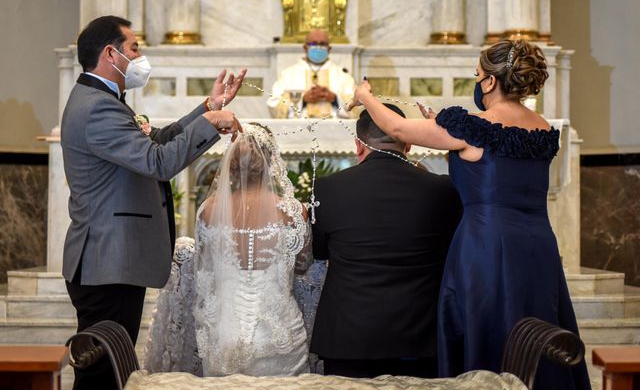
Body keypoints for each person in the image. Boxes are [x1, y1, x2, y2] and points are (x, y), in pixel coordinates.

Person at [349, 39, 592, 389]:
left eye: (477, 75)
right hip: (538, 245)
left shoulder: (472, 127)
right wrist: (443, 129)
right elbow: (497, 168)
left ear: (491, 81)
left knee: (490, 329)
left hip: (486, 245)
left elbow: (398, 129)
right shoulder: (542, 128)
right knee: (537, 328)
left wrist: (365, 96)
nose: (477, 82)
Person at [61, 15, 245, 390]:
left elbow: (154, 141)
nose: (140, 56)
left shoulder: (102, 99)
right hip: (106, 260)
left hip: (113, 259)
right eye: (134, 48)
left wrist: (207, 107)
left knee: (114, 369)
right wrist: (212, 122)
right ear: (110, 54)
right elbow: (158, 162)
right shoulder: (97, 107)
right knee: (101, 375)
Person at [144, 123, 312, 377]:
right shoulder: (294, 211)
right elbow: (302, 265)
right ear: (271, 161)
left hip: (224, 332)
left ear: (230, 165)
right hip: (280, 333)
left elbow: (205, 269)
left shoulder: (209, 210)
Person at [310, 104, 463, 378]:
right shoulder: (443, 189)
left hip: (349, 337)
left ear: (359, 145)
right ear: (409, 144)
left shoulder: (327, 188)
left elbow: (319, 252)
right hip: (419, 337)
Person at [268, 29, 355, 118]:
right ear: (305, 48)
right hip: (298, 129)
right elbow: (273, 104)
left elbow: (356, 106)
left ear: (329, 49)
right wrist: (303, 101)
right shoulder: (288, 75)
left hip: (335, 128)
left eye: (322, 44)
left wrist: (334, 99)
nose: (318, 47)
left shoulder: (344, 76)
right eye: (313, 44)